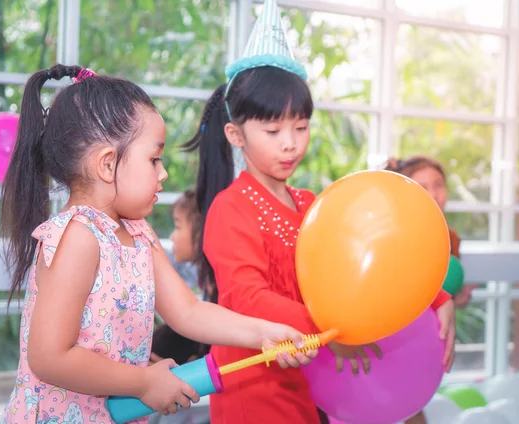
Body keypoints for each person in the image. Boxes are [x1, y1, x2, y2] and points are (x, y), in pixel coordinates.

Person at [183, 1, 456, 423]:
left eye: (301, 126)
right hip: (254, 386)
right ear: (235, 134)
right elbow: (245, 297)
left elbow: (374, 255)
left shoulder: (312, 204)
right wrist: (332, 332)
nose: (290, 143)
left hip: (311, 380)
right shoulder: (230, 208)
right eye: (273, 131)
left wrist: (438, 298)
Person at [0, 64, 317, 424]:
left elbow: (189, 312)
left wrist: (264, 333)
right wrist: (144, 381)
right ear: (107, 164)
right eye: (154, 159)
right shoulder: (77, 237)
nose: (163, 173)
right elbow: (49, 357)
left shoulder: (137, 232)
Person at [385, 155, 471, 424]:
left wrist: (457, 299)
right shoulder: (389, 235)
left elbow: (439, 294)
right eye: (422, 187)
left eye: (438, 185)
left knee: (412, 407)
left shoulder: (450, 238)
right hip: (384, 339)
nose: (433, 194)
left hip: (421, 346)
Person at [151, 188, 210, 366]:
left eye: (177, 226)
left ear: (201, 233)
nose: (172, 237)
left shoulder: (218, 286)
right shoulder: (204, 280)